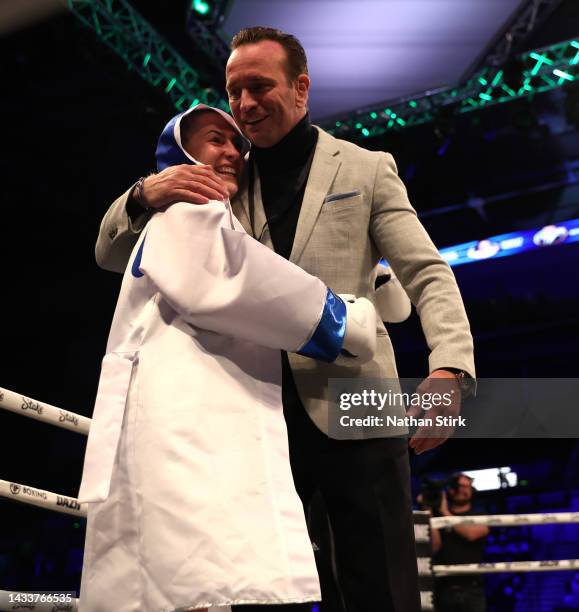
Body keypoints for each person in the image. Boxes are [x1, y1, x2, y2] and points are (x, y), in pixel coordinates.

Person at [94, 27, 476, 612]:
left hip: (359, 401)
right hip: (254, 414)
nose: (244, 105)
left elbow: (426, 271)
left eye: (258, 86)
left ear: (301, 88)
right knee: (266, 593)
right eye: (233, 90)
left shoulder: (368, 167)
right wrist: (147, 192)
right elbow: (112, 253)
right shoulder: (220, 175)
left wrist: (450, 369)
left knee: (382, 588)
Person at [77, 104, 379, 612]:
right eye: (215, 139)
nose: (232, 153)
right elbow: (231, 281)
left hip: (187, 409)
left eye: (237, 145)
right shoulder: (186, 206)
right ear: (178, 153)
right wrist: (342, 317)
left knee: (188, 581)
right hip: (185, 418)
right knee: (193, 579)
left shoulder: (214, 216)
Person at [431, 474, 489, 612]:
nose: (464, 490)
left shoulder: (479, 514)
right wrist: (428, 512)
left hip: (472, 589)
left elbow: (471, 534)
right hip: (444, 589)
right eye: (460, 486)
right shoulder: (439, 517)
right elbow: (434, 546)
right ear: (450, 490)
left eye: (467, 486)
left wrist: (445, 513)